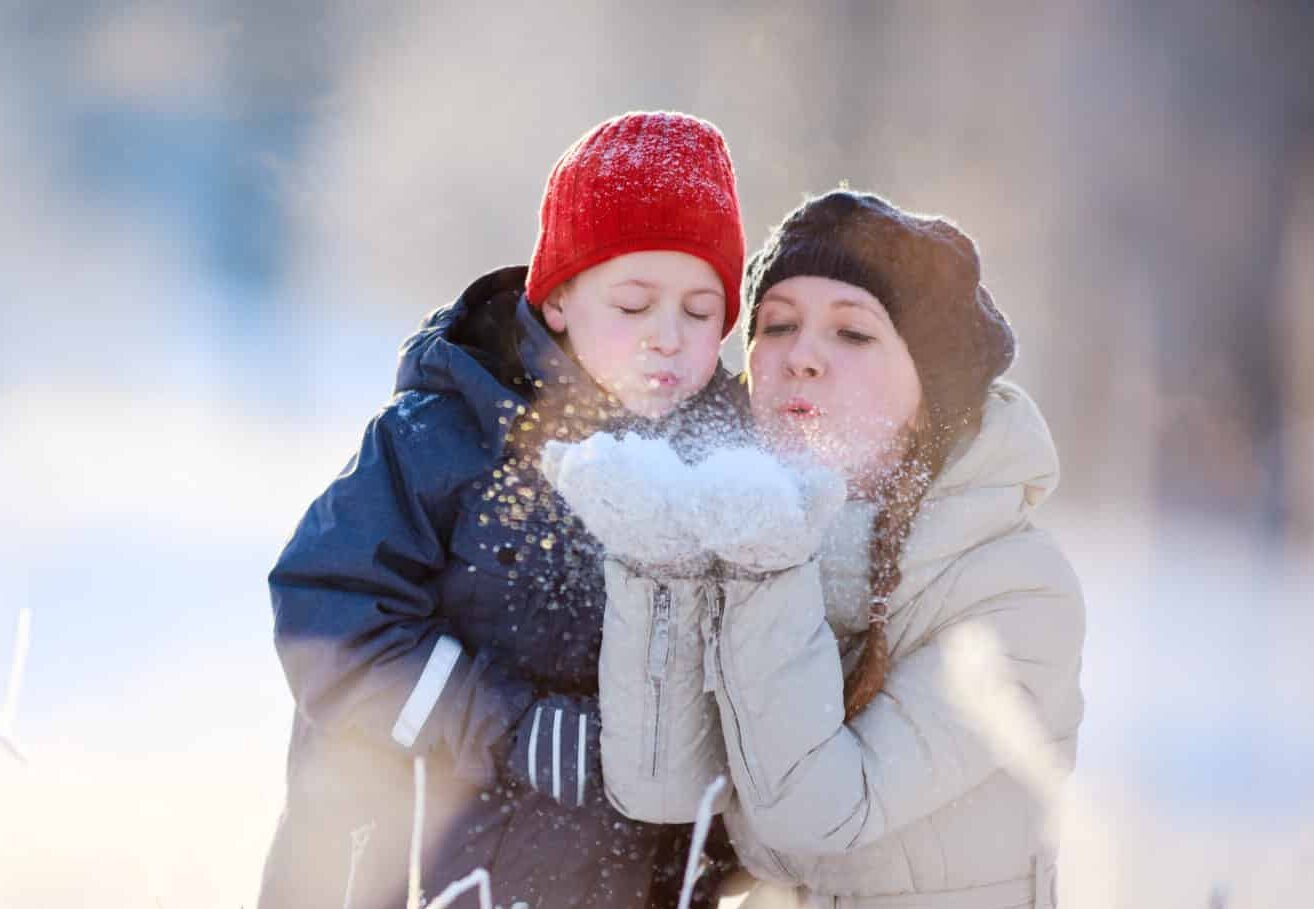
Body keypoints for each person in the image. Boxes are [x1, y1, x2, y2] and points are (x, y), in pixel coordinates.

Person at [258, 111, 749, 909]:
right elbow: (329, 617)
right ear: (557, 301)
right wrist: (504, 725)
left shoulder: (728, 477)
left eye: (699, 312)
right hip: (407, 873)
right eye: (634, 303)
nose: (669, 336)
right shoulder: (445, 433)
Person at [547, 190, 1086, 909]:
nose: (800, 356)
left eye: (853, 333)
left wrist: (768, 556)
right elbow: (665, 788)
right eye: (776, 325)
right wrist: (660, 563)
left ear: (932, 390)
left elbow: (815, 820)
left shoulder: (1017, 589)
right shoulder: (742, 523)